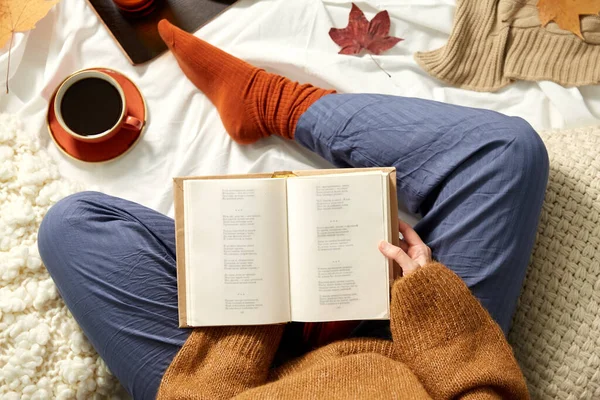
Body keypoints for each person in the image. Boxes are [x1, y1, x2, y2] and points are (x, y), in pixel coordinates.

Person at [37, 19, 548, 399]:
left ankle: (264, 106)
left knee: (71, 226)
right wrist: (432, 308)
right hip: (409, 360)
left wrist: (250, 318)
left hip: (230, 379)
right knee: (507, 152)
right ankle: (270, 101)